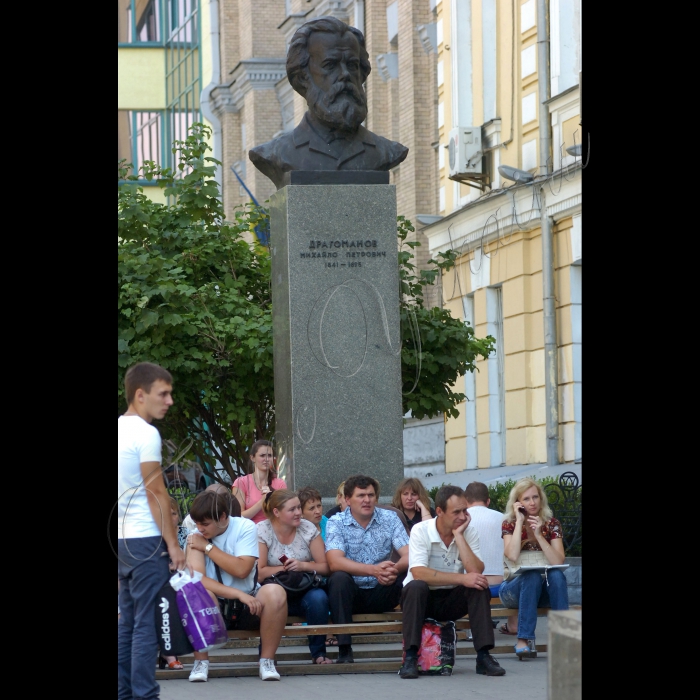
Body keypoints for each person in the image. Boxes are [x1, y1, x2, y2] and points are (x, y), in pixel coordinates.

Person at [249, 16, 408, 190]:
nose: (345, 74)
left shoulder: (385, 151)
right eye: (330, 65)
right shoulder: (276, 153)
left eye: (352, 65)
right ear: (303, 77)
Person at [118, 362, 187, 700]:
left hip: (121, 541)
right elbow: (155, 491)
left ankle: (125, 693)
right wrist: (173, 545)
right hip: (146, 541)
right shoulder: (146, 434)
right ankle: (145, 696)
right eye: (164, 393)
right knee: (146, 624)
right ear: (140, 395)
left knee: (127, 622)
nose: (169, 400)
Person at [398, 485, 505, 679]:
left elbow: (475, 571)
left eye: (465, 510)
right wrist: (463, 578)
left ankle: (484, 656)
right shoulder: (420, 530)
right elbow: (418, 572)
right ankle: (411, 658)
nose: (463, 516)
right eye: (456, 512)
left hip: (450, 598)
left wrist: (459, 535)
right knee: (416, 586)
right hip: (422, 599)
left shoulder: (467, 531)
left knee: (479, 586)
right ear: (439, 511)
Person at [185, 490, 286, 682]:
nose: (199, 528)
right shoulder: (195, 535)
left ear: (223, 517)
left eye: (205, 524)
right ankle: (200, 662)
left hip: (249, 604)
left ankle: (267, 661)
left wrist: (207, 547)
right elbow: (197, 579)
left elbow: (242, 570)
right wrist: (236, 594)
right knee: (195, 592)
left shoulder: (245, 527)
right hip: (217, 604)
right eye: (197, 523)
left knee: (276, 592)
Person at [325, 474, 410, 664]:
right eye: (361, 495)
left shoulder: (390, 518)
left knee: (410, 575)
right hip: (350, 593)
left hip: (383, 589)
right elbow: (334, 562)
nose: (367, 500)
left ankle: (412, 650)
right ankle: (345, 650)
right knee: (338, 578)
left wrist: (393, 570)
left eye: (371, 495)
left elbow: (410, 554)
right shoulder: (336, 522)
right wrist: (373, 570)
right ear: (347, 500)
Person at [258, 489, 333, 664]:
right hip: (274, 590)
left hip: (303, 587)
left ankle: (318, 653)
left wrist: (302, 565)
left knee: (319, 598)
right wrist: (282, 569)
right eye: (292, 509)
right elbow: (259, 572)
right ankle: (266, 656)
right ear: (276, 512)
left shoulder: (307, 529)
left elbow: (326, 567)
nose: (299, 512)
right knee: (272, 598)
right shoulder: (263, 530)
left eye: (299, 507)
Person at [499, 477, 569, 659]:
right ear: (518, 503)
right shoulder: (510, 524)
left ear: (541, 499)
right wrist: (520, 522)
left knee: (556, 575)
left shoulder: (551, 524)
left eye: (535, 497)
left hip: (543, 589)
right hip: (512, 589)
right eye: (526, 499)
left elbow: (558, 561)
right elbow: (512, 555)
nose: (532, 502)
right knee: (531, 576)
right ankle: (524, 639)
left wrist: (539, 535)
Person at [465, 481, 512, 636]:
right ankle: (514, 625)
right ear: (488, 501)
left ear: (465, 501)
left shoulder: (461, 520)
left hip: (471, 584)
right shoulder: (504, 519)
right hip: (501, 584)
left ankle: (472, 628)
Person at [232, 440, 287, 524]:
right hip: (249, 531)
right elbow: (238, 517)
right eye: (262, 455)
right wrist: (262, 501)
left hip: (275, 530)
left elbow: (285, 513)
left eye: (269, 456)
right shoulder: (241, 482)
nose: (266, 459)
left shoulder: (280, 483)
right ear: (252, 458)